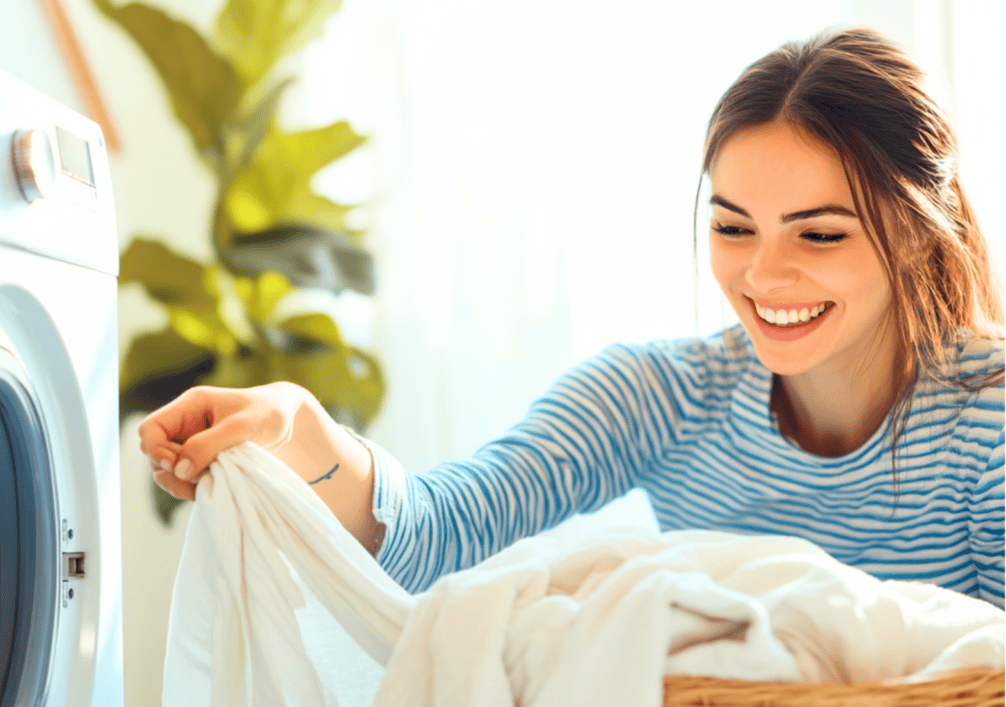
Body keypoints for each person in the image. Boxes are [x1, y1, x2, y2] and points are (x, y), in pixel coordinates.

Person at [140, 27, 1005, 607]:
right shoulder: (662, 395)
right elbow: (444, 530)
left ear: (918, 236)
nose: (763, 274)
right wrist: (300, 428)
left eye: (818, 234)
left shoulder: (988, 420)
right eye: (732, 226)